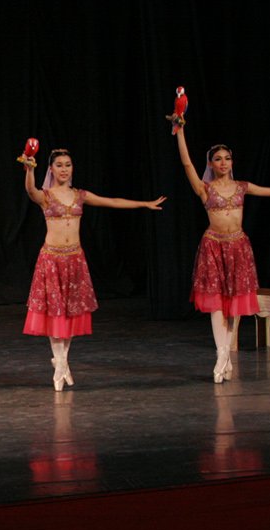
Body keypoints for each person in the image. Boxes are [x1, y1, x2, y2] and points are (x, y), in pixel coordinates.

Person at [172, 120, 270, 382]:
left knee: (233, 306)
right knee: (216, 305)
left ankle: (225, 358)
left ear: (232, 162)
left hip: (238, 247)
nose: (223, 163)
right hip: (213, 246)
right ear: (210, 164)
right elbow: (187, 164)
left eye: (227, 158)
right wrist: (180, 132)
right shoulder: (205, 188)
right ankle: (222, 354)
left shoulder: (242, 187)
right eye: (218, 159)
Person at [17, 148, 164, 391]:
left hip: (74, 259)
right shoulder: (45, 196)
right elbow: (29, 190)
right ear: (51, 169)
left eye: (68, 164)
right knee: (55, 313)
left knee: (71, 312)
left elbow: (112, 201)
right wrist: (30, 170)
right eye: (59, 165)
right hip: (52, 259)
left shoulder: (80, 195)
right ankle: (61, 364)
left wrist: (143, 204)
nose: (64, 169)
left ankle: (62, 361)